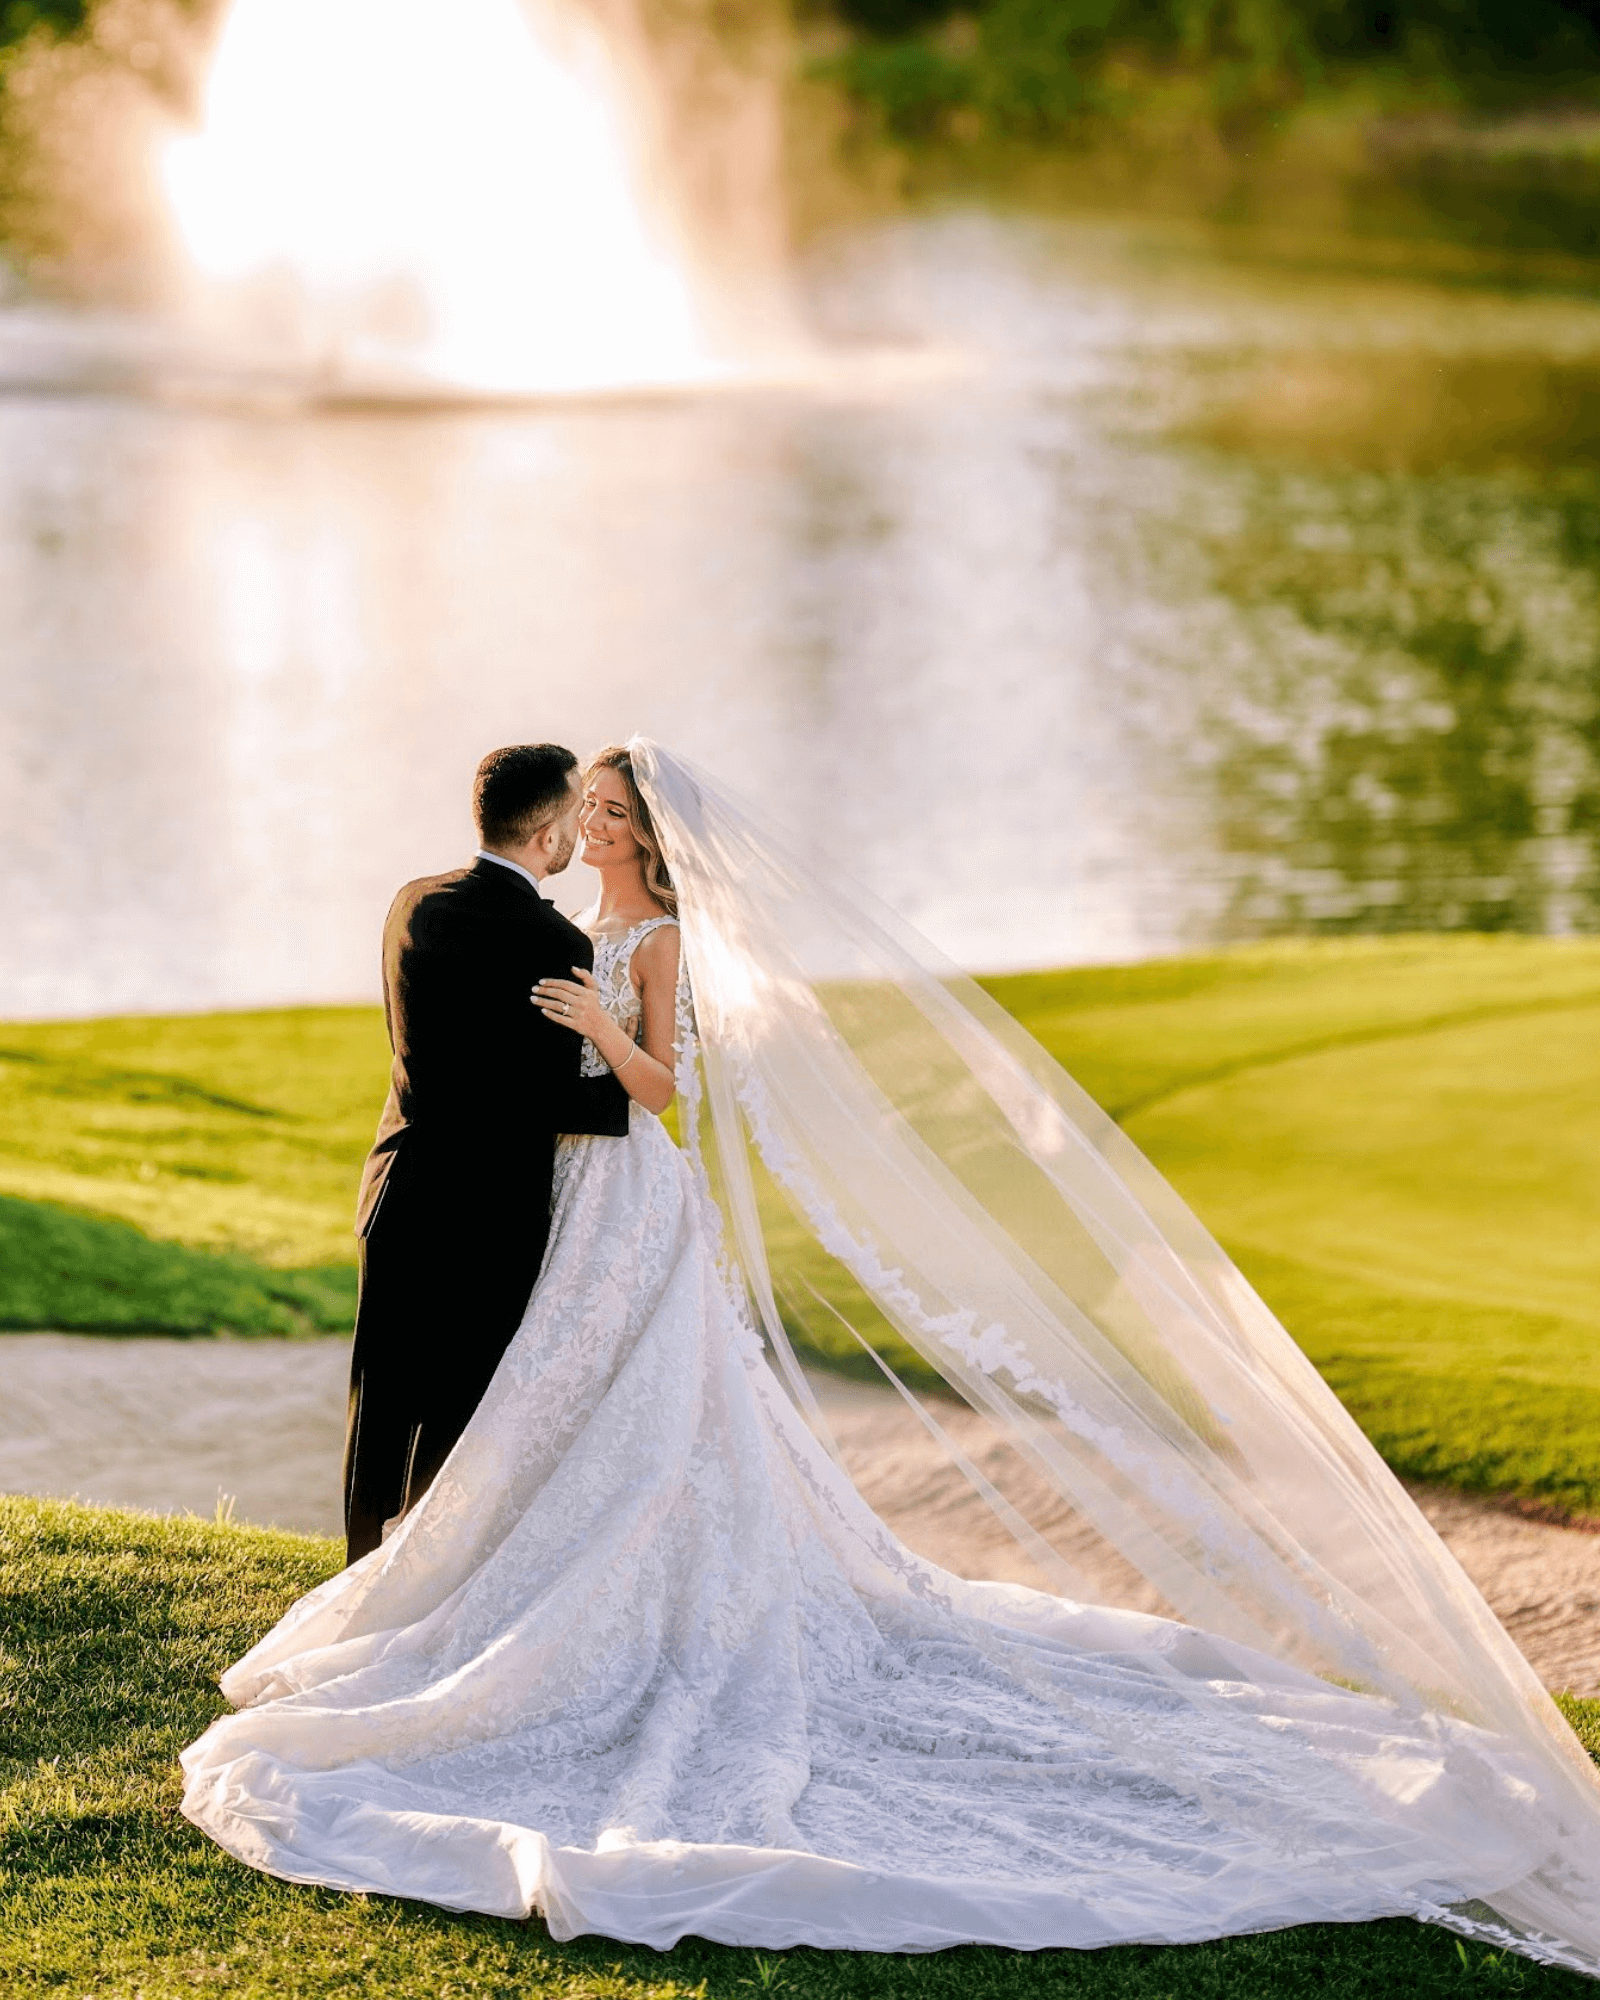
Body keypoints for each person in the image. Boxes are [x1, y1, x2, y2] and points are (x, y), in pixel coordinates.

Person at [181, 741, 1600, 1971]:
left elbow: (665, 1086)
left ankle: (647, 1603)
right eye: (590, 806)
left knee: (652, 1407)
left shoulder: (647, 941)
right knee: (561, 1408)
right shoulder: (546, 922)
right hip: (563, 1200)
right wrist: (563, 1052)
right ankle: (505, 1581)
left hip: (628, 1197)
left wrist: (603, 1025)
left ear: (634, 830)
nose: (597, 824)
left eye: (612, 808)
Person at [342, 744, 630, 1564]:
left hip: (397, 1187)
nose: (582, 825)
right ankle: (419, 1582)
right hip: (485, 1216)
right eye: (576, 811)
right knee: (459, 1413)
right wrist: (624, 1091)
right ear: (546, 836)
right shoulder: (551, 942)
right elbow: (540, 1098)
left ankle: (358, 1568)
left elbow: (423, 1053)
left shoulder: (412, 903)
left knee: (383, 1402)